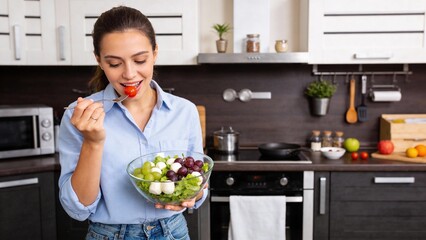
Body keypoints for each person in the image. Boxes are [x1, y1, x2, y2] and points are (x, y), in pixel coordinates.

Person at [58, 6, 206, 240]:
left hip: (173, 232)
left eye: (140, 60)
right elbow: (78, 208)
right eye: (115, 64)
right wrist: (93, 142)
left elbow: (197, 180)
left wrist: (191, 196)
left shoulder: (184, 111)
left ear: (155, 53)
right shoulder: (80, 117)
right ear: (99, 61)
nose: (129, 74)